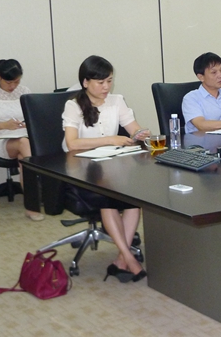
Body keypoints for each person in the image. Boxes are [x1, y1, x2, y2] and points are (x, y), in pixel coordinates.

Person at [62, 55, 150, 282]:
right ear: (85, 82)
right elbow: (72, 143)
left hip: (111, 167)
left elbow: (134, 129)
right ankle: (129, 258)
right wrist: (110, 139)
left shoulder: (117, 101)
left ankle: (121, 258)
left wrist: (140, 134)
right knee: (107, 198)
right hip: (81, 171)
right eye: (100, 82)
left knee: (133, 200)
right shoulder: (73, 105)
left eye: (109, 81)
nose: (106, 87)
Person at [0, 59, 43, 221]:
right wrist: (4, 125)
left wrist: (26, 123)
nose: (12, 86)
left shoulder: (24, 91)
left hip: (23, 136)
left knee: (24, 154)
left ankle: (32, 206)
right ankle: (40, 189)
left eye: (16, 82)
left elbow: (34, 117)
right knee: (25, 144)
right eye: (9, 82)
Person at [182, 52, 221, 133]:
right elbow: (201, 125)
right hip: (201, 140)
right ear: (201, 77)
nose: (220, 75)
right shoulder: (191, 98)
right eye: (214, 72)